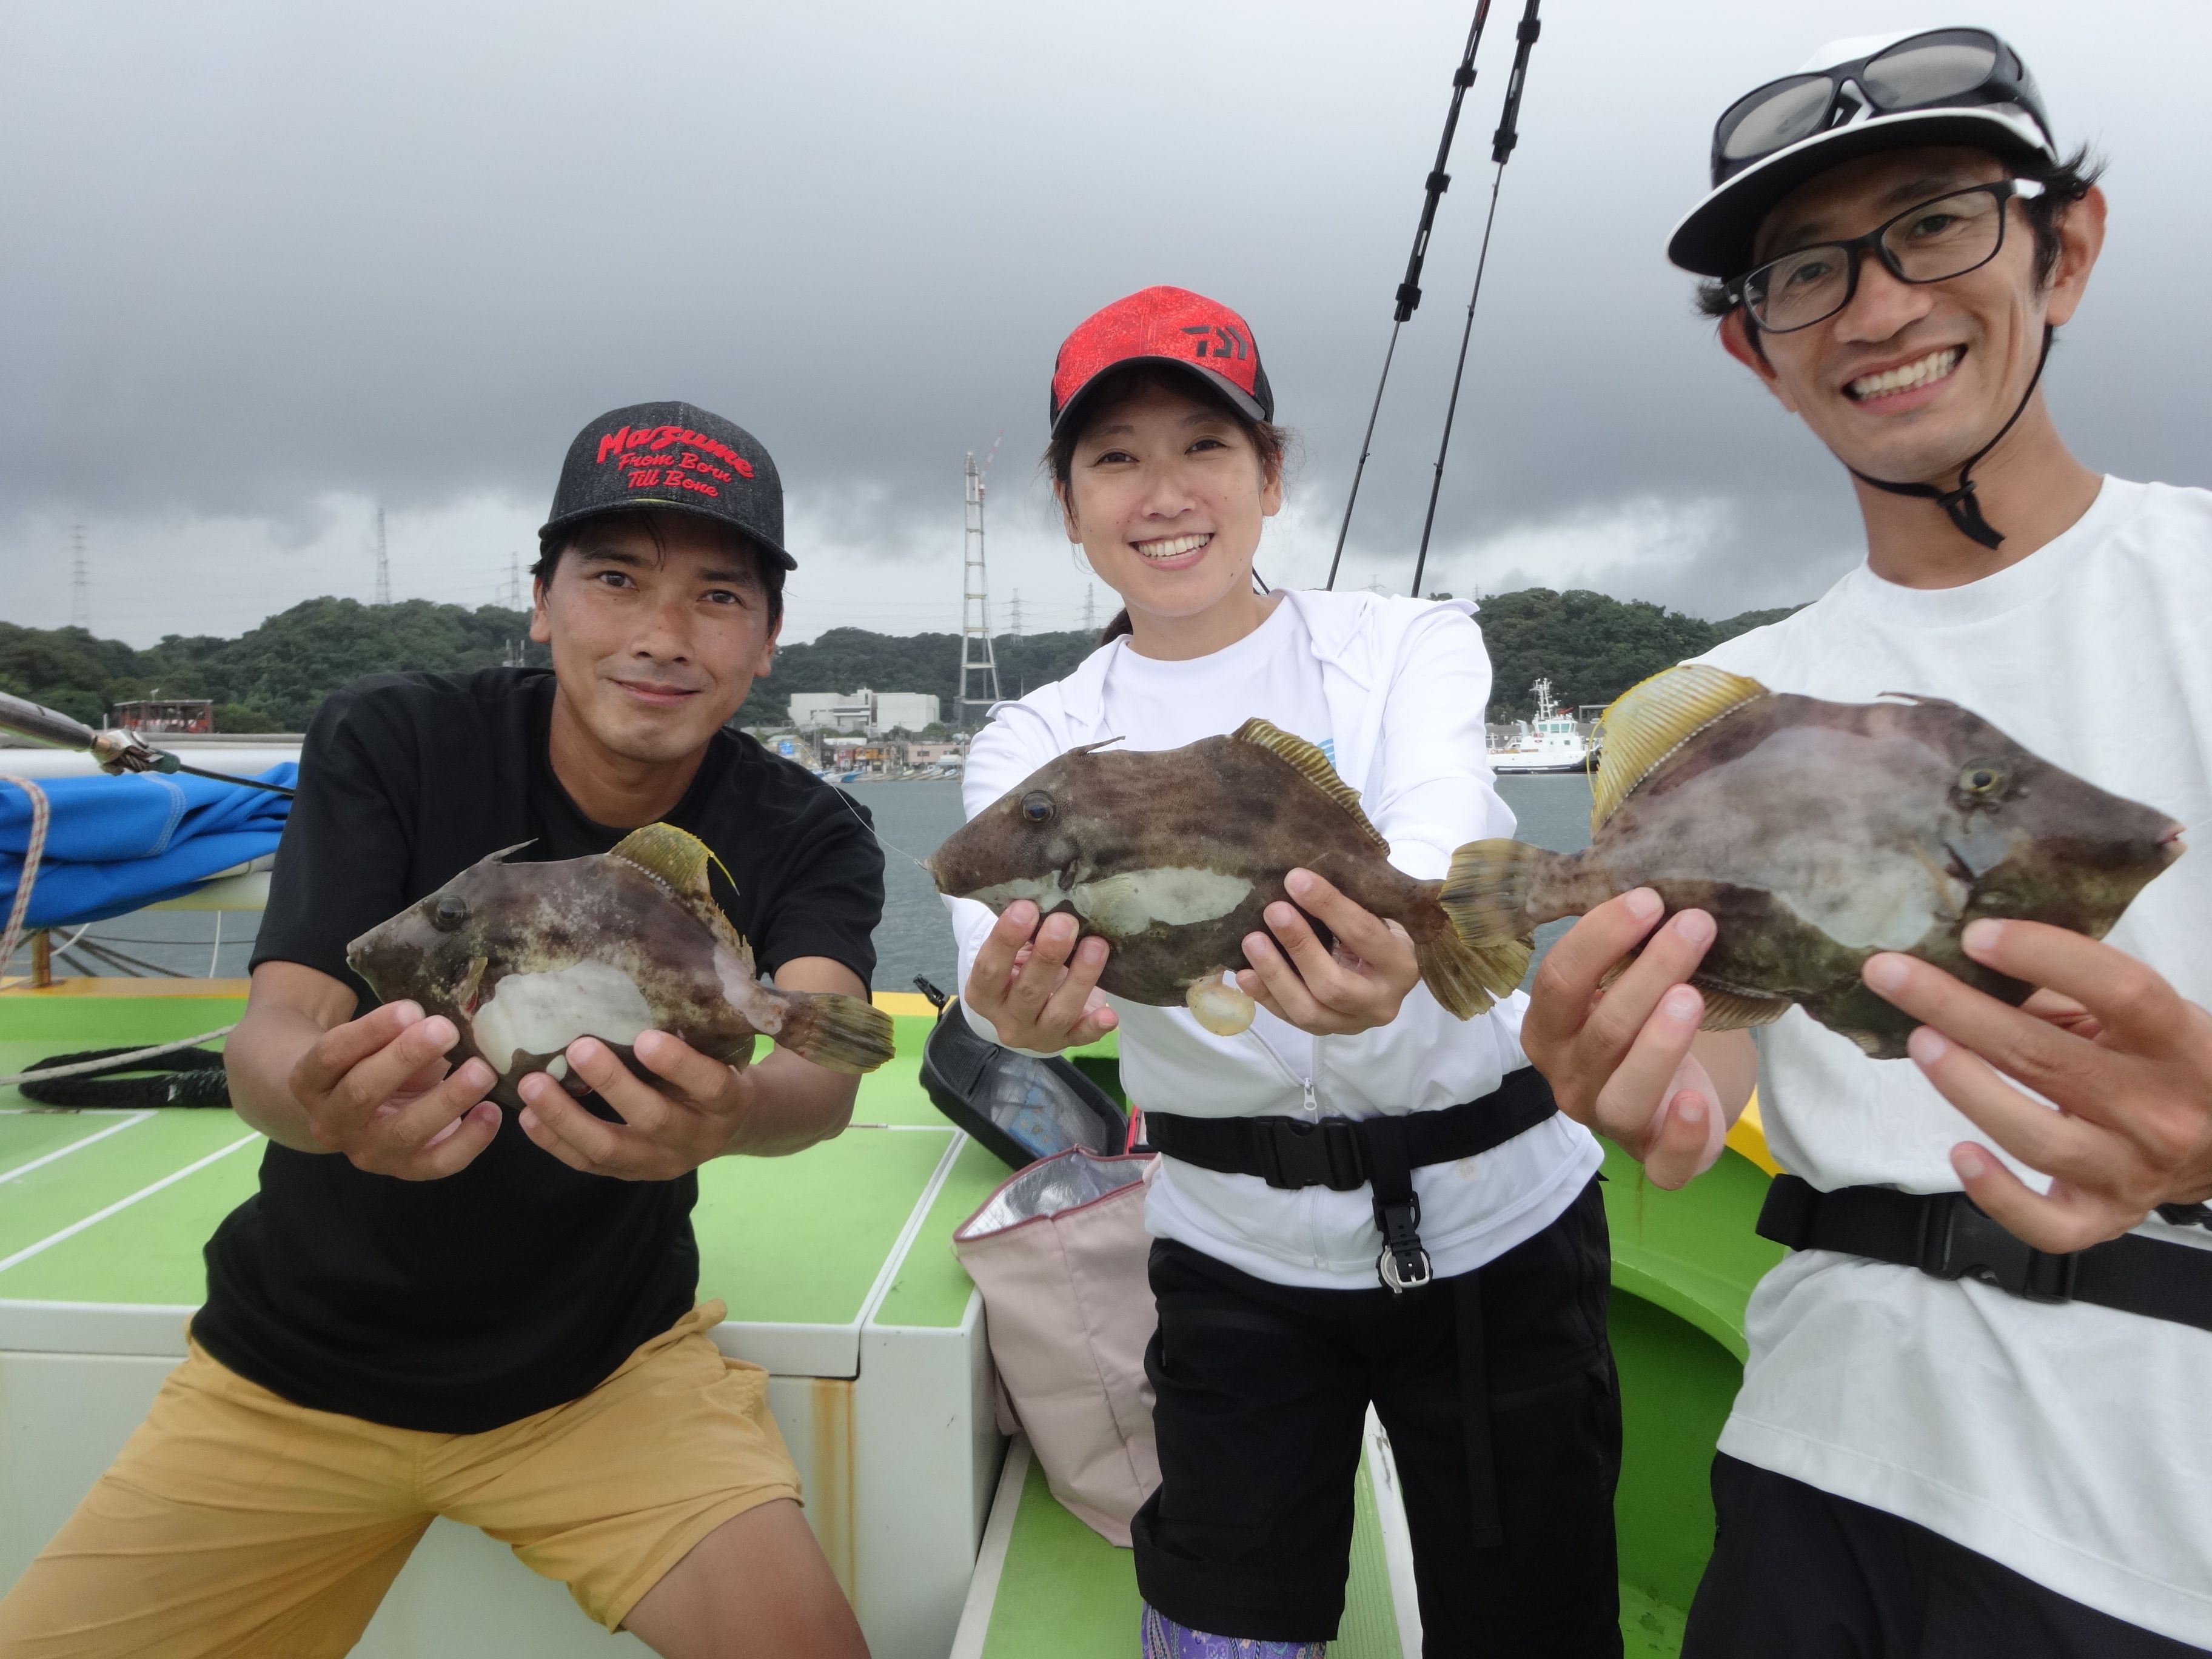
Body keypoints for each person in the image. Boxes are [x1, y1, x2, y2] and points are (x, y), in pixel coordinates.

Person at [1523, 28, 2212, 1656]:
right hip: (1817, 1451)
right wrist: (1662, 1089)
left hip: (2157, 1518)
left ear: (2066, 248)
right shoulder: (1741, 700)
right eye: (1808, 271)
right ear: (1757, 352)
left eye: (1937, 223)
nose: (1881, 304)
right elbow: (1723, 1038)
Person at [0, 401, 882, 1659]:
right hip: (289, 1377)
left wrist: (734, 1113)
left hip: (604, 1375)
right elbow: (278, 1026)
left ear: (769, 638)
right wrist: (321, 1107)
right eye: (615, 579)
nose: (661, 634)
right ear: (542, 601)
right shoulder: (394, 738)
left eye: (718, 596)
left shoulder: (809, 826)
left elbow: (824, 1061)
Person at [947, 286, 1622, 1658]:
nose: (1164, 493)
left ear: (1269, 473)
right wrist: (1011, 1007)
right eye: (1115, 458)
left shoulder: (1411, 642)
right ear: (1069, 504)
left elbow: (1440, 821)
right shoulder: (1037, 737)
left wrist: (1396, 942)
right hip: (1233, 1257)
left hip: (1497, 1227)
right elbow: (990, 961)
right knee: (1223, 1630)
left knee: (1531, 1626)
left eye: (1206, 445)